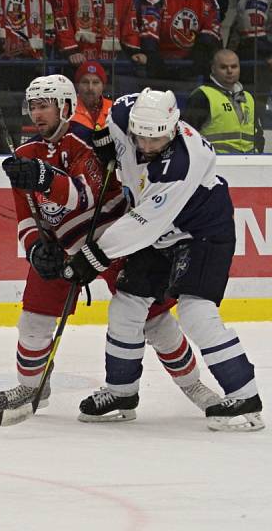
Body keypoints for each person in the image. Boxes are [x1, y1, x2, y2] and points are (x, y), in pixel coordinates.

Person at [0, 75, 219, 415]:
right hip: (63, 247)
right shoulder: (26, 155)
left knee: (153, 320)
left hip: (112, 242)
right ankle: (32, 385)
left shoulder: (85, 141)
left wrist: (44, 178)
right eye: (33, 106)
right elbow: (27, 215)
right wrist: (37, 247)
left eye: (45, 106)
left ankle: (193, 385)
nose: (37, 114)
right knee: (33, 322)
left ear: (65, 107)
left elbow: (83, 197)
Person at [64, 88, 264, 431]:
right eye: (139, 138)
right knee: (126, 304)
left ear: (173, 127)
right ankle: (122, 392)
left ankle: (245, 395)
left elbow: (142, 225)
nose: (145, 146)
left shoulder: (183, 164)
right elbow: (110, 115)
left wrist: (93, 256)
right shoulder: (127, 113)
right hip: (160, 233)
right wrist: (105, 137)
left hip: (201, 234)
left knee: (195, 311)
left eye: (153, 141)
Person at [140, 0, 221, 81]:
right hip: (160, 57)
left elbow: (211, 29)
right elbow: (148, 29)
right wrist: (151, 52)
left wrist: (201, 50)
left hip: (192, 59)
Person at [183, 49, 264, 153]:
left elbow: (258, 134)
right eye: (223, 67)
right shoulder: (202, 96)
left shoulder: (248, 97)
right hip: (216, 164)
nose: (230, 71)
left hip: (248, 163)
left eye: (234, 66)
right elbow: (187, 135)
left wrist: (257, 153)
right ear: (213, 69)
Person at [232, 0, 272, 124]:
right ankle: (251, 126)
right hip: (249, 44)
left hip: (263, 43)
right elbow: (251, 24)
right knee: (249, 102)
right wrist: (268, 55)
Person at [68, 59, 112, 136]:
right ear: (77, 85)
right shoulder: (67, 110)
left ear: (103, 86)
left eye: (95, 82)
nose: (90, 87)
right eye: (85, 82)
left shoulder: (114, 108)